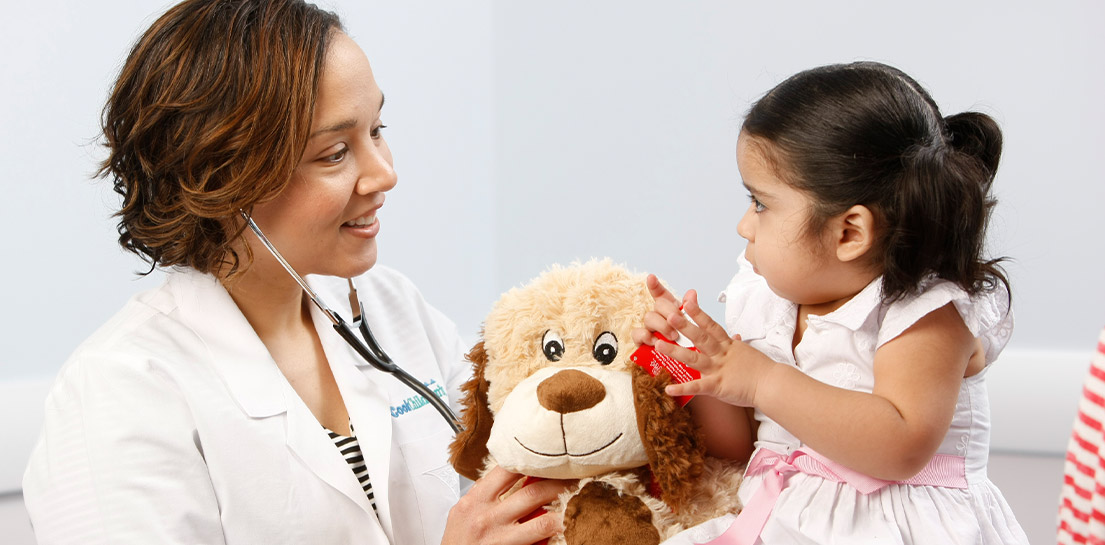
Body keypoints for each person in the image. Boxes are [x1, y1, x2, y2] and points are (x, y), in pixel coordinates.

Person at [21, 1, 566, 543]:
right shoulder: (122, 390)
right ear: (222, 179)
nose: (385, 173)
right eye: (334, 153)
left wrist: (640, 370)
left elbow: (547, 455)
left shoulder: (392, 308)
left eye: (377, 129)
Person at [634, 62, 1029, 543]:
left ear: (849, 232)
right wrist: (701, 370)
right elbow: (740, 445)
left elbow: (900, 445)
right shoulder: (769, 305)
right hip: (778, 521)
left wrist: (762, 380)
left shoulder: (921, 316)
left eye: (760, 203)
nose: (744, 225)